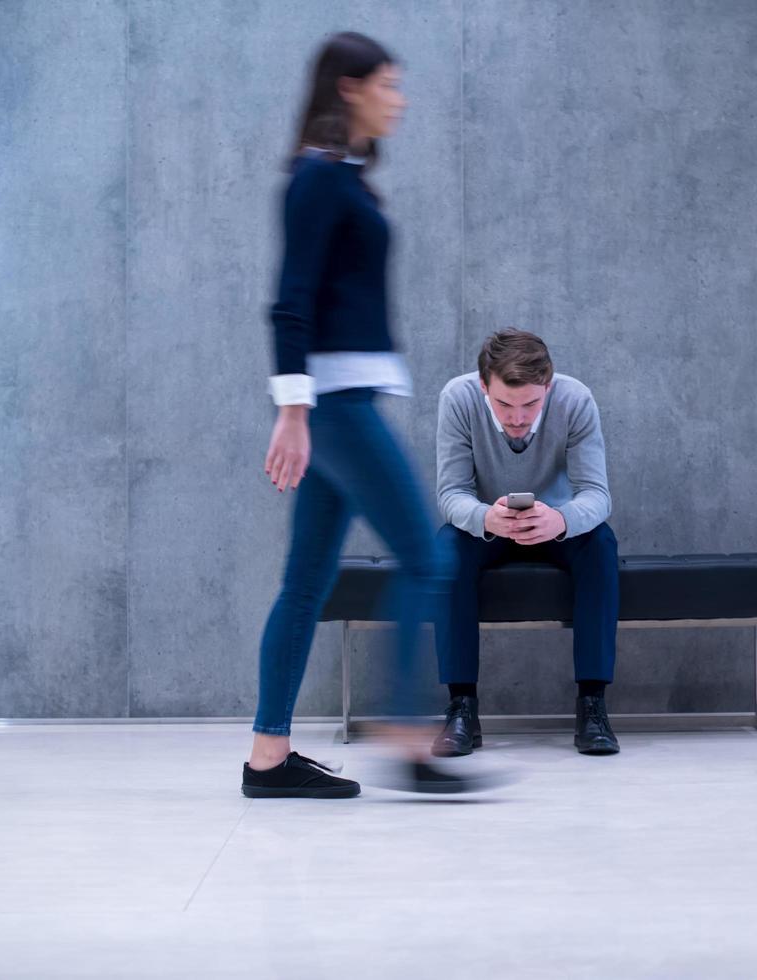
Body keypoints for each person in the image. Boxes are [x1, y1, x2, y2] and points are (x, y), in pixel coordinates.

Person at [242, 31, 484, 799]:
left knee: (306, 584)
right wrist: (293, 412)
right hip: (337, 407)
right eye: (389, 83)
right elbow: (290, 301)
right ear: (349, 88)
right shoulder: (317, 179)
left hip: (341, 399)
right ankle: (410, 741)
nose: (400, 97)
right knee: (427, 560)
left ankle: (268, 761)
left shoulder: (342, 177)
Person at [431, 330, 621, 756]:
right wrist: (486, 516)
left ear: (547, 387)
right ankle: (461, 707)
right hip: (489, 524)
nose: (517, 418)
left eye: (531, 405)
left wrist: (560, 519)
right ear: (484, 386)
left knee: (601, 545)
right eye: (504, 405)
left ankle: (593, 705)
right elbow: (451, 494)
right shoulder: (458, 398)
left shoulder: (575, 400)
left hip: (555, 524)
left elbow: (597, 494)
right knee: (447, 550)